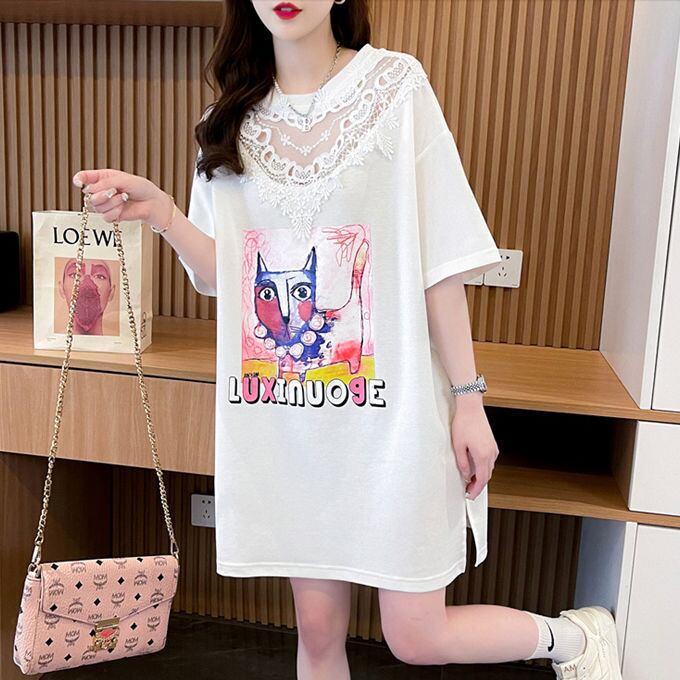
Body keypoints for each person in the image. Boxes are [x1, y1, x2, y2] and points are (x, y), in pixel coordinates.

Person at [72, 1, 623, 678]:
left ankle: (574, 639)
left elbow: (439, 261)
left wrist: (468, 399)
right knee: (317, 631)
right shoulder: (229, 119)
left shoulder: (394, 87)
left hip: (393, 416)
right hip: (290, 424)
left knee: (416, 637)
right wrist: (163, 213)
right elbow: (224, 275)